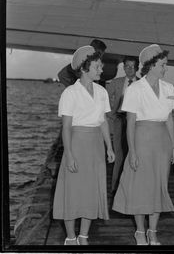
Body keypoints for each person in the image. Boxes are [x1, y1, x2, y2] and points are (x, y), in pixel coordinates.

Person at [112, 44, 174, 245]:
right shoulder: (134, 89)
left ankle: (153, 231)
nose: (165, 69)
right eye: (162, 65)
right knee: (140, 187)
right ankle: (140, 231)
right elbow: (130, 123)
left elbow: (169, 119)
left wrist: (173, 146)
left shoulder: (169, 88)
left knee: (159, 186)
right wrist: (132, 151)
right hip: (141, 141)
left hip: (162, 143)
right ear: (150, 65)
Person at [53, 45, 115, 245]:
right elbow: (66, 128)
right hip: (77, 145)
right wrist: (69, 155)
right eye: (97, 66)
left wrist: (109, 147)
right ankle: (71, 237)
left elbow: (103, 121)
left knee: (91, 191)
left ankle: (84, 236)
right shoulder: (70, 93)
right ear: (84, 68)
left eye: (100, 66)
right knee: (72, 191)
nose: (101, 70)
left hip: (96, 145)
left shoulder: (101, 91)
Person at [106, 56, 139, 193]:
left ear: (137, 68)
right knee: (119, 154)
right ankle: (116, 188)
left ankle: (133, 189)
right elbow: (104, 98)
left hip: (137, 122)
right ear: (123, 67)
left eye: (132, 66)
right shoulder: (116, 82)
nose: (129, 69)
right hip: (120, 119)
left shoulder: (142, 84)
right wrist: (111, 114)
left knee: (136, 154)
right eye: (127, 66)